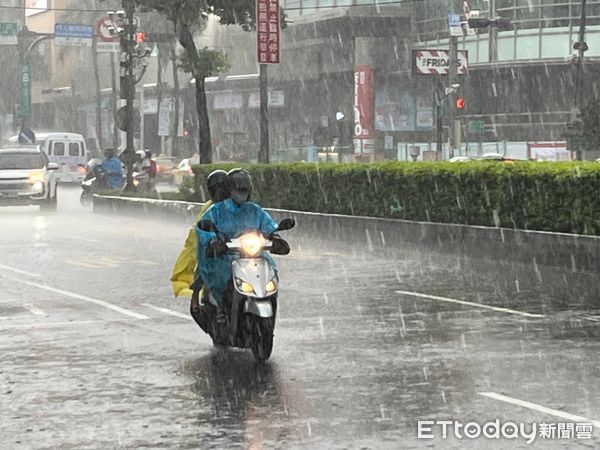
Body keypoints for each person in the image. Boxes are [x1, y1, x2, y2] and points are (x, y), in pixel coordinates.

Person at [196, 168, 290, 322]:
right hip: (226, 255)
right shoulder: (216, 211)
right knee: (222, 275)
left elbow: (268, 226)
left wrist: (276, 237)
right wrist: (213, 241)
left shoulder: (255, 210)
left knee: (271, 269)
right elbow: (204, 229)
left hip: (253, 254)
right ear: (230, 190)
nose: (242, 193)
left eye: (245, 190)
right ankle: (221, 307)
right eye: (239, 190)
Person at [170, 170, 230, 323]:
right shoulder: (209, 210)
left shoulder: (244, 206)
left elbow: (258, 221)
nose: (221, 193)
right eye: (218, 189)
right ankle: (206, 303)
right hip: (217, 253)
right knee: (209, 271)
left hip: (239, 252)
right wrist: (212, 241)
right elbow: (194, 240)